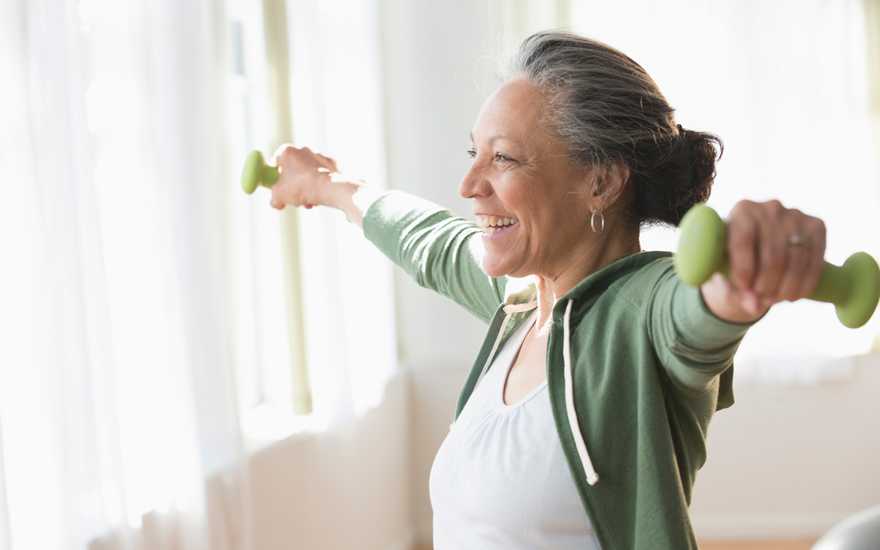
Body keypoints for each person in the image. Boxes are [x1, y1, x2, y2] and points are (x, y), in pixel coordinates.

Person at [266, 30, 827, 550]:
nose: (468, 184)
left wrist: (739, 281)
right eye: (474, 154)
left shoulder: (638, 314)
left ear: (601, 182)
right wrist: (327, 185)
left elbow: (692, 312)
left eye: (503, 157)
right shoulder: (523, 303)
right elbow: (430, 242)